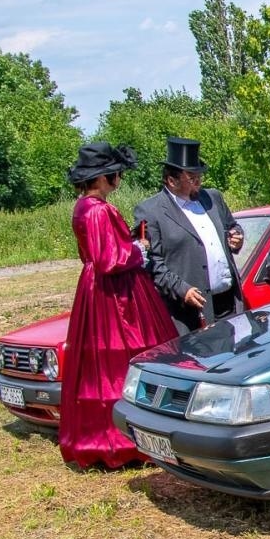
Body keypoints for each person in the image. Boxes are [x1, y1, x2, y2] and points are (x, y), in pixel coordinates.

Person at [58, 143, 178, 469]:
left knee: (100, 363)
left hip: (95, 289)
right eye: (116, 174)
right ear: (105, 177)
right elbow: (109, 259)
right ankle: (122, 440)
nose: (119, 179)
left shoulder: (83, 207)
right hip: (114, 293)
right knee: (121, 358)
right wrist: (138, 248)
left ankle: (109, 436)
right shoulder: (98, 210)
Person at [135, 137, 244, 334]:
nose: (198, 183)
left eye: (200, 177)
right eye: (192, 179)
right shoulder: (151, 212)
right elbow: (152, 263)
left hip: (229, 302)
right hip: (191, 312)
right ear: (172, 180)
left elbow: (232, 226)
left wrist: (236, 237)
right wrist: (181, 289)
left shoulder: (212, 198)